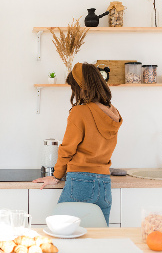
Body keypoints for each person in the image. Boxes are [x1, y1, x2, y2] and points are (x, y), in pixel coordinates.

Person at [32, 63, 122, 225]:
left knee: (61, 231)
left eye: (74, 87)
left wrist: (56, 176)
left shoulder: (80, 112)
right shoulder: (113, 112)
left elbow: (67, 149)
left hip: (81, 182)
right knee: (99, 237)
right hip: (104, 184)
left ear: (82, 87)